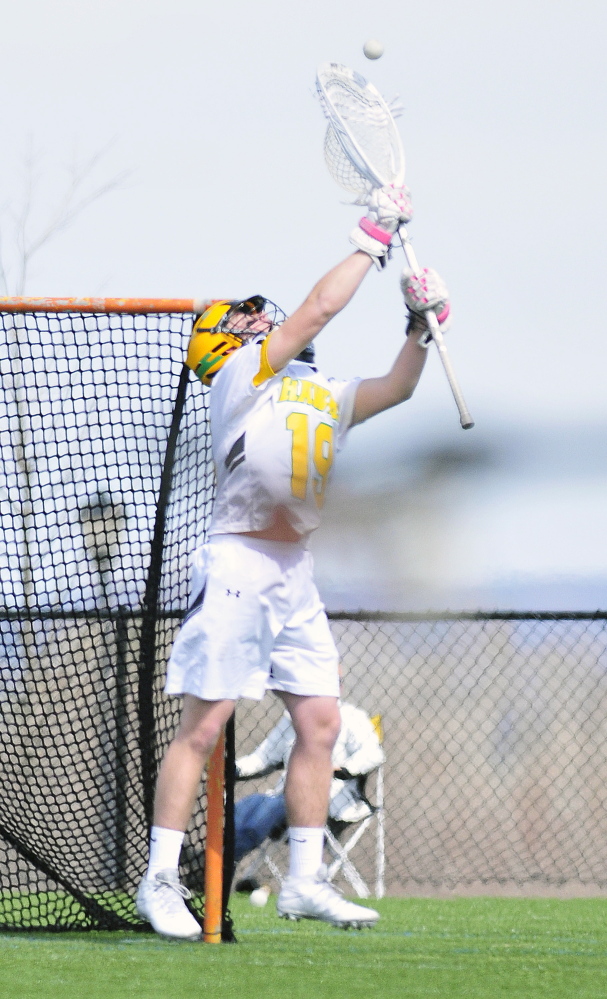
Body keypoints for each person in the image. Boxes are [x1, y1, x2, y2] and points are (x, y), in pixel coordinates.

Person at [136, 183, 452, 939]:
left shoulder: (316, 388)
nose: (262, 316)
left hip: (294, 571)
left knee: (318, 723)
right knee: (203, 725)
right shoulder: (245, 377)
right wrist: (372, 239)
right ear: (221, 342)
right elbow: (317, 307)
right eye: (242, 316)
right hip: (240, 561)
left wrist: (420, 326)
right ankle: (157, 879)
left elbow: (397, 388)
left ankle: (305, 880)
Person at [232, 701, 385, 878]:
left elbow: (373, 754)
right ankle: (214, 859)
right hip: (285, 795)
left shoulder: (350, 716)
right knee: (251, 803)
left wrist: (344, 769)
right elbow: (262, 757)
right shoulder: (291, 717)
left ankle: (222, 861)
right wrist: (232, 768)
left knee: (269, 808)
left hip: (330, 800)